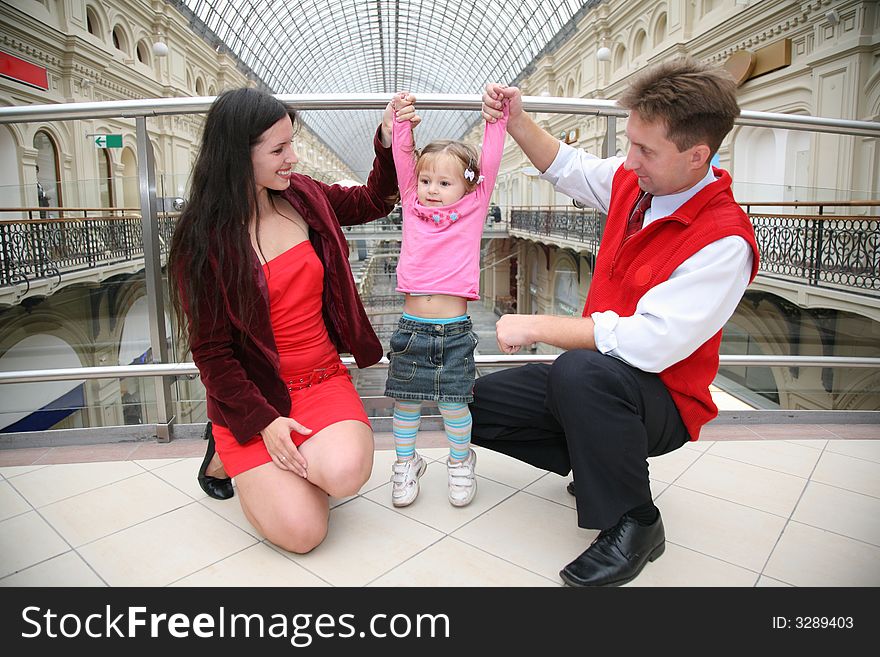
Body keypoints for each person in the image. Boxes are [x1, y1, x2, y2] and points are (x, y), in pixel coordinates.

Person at [473, 58, 759, 586]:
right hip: (604, 382)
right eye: (630, 143)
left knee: (580, 372)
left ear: (698, 156)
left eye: (645, 150)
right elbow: (569, 166)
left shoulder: (723, 241)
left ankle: (636, 521)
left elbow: (647, 345)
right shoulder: (640, 181)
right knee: (474, 405)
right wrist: (516, 118)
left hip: (665, 400)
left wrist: (536, 325)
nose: (630, 161)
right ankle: (597, 457)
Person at [169, 88, 419, 553]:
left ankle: (288, 462)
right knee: (303, 535)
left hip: (321, 377)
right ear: (237, 157)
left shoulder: (303, 195)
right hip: (257, 395)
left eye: (292, 144)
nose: (293, 158)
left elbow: (372, 201)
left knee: (345, 474)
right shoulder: (202, 242)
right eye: (279, 149)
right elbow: (211, 352)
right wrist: (264, 423)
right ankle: (229, 443)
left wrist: (386, 139)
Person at [383, 92, 508, 508]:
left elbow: (489, 161)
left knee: (455, 406)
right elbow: (404, 159)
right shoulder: (412, 204)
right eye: (426, 180)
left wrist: (496, 119)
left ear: (467, 186)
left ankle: (459, 461)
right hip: (410, 328)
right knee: (406, 405)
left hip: (453, 332)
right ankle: (405, 463)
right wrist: (402, 123)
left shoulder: (474, 207)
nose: (431, 190)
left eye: (444, 182)